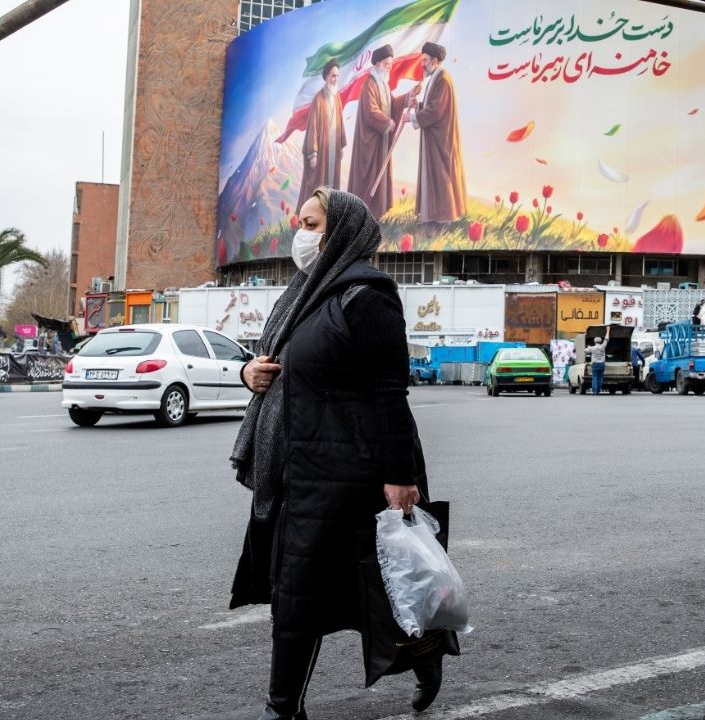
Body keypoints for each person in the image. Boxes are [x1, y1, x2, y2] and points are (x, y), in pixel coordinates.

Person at [229, 187, 449, 718]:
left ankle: (426, 662)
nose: (300, 235)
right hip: (297, 471)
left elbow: (390, 393)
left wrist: (400, 477)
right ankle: (283, 708)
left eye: (311, 223)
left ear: (340, 232)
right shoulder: (304, 295)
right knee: (296, 595)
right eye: (300, 223)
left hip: (354, 473)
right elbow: (279, 367)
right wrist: (248, 374)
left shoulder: (367, 296)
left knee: (388, 582)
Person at [347, 45, 419, 219]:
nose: (389, 66)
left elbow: (392, 104)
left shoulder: (383, 85)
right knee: (367, 180)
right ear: (378, 63)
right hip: (369, 144)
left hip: (381, 142)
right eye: (387, 63)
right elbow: (370, 111)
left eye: (390, 63)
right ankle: (362, 217)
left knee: (379, 180)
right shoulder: (369, 85)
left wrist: (409, 96)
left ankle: (376, 215)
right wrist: (387, 122)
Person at [405, 42, 467, 226]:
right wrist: (419, 107)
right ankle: (433, 217)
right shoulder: (435, 77)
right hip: (434, 137)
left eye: (425, 60)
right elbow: (431, 106)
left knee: (441, 177)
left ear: (434, 60)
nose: (422, 64)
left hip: (441, 140)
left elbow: (437, 111)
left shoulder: (443, 79)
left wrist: (412, 117)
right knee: (434, 176)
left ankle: (443, 220)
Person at [296, 61, 347, 211]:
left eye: (337, 76)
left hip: (334, 149)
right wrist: (313, 154)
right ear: (326, 77)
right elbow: (313, 128)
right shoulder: (318, 99)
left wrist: (341, 145)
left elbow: (340, 121)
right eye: (332, 76)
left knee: (332, 182)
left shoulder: (336, 97)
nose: (335, 79)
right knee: (319, 183)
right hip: (322, 151)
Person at [588, 329, 610, 395]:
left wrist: (588, 347)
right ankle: (598, 390)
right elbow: (606, 339)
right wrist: (608, 330)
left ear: (594, 341)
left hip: (595, 364)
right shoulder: (603, 346)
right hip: (602, 364)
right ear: (600, 341)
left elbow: (585, 351)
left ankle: (594, 391)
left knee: (595, 377)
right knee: (600, 378)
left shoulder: (592, 348)